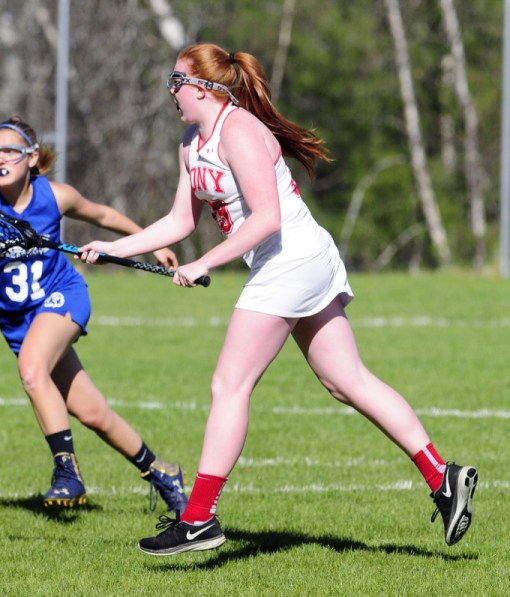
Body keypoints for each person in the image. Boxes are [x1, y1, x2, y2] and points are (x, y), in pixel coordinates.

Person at [79, 43, 478, 554]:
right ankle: (443, 477)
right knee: (345, 380)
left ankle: (199, 518)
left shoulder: (240, 132)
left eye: (177, 82)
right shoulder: (190, 143)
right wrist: (113, 247)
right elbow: (180, 222)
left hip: (292, 258)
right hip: (291, 260)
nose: (171, 92)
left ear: (203, 87)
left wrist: (204, 262)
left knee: (229, 383)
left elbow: (267, 218)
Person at [0, 116, 187, 514]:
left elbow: (101, 215)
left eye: (9, 152)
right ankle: (162, 471)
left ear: (32, 158)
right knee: (93, 412)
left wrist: (151, 244)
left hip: (62, 296)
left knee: (33, 371)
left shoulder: (56, 196)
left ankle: (66, 471)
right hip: (18, 321)